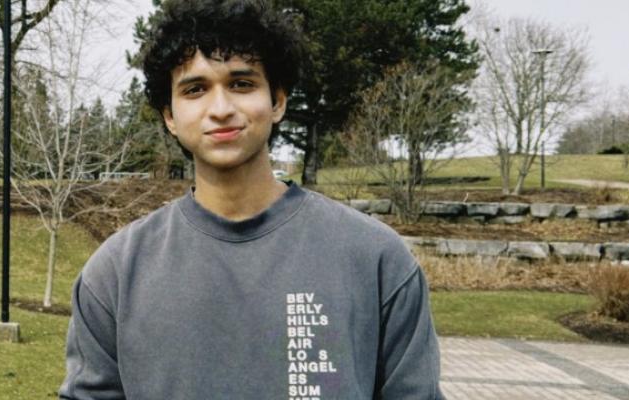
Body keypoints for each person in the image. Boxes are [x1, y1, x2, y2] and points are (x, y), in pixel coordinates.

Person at [58, 1, 443, 399]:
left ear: (278, 101)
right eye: (195, 89)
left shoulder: (376, 258)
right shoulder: (115, 274)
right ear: (170, 116)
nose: (221, 109)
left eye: (241, 84)